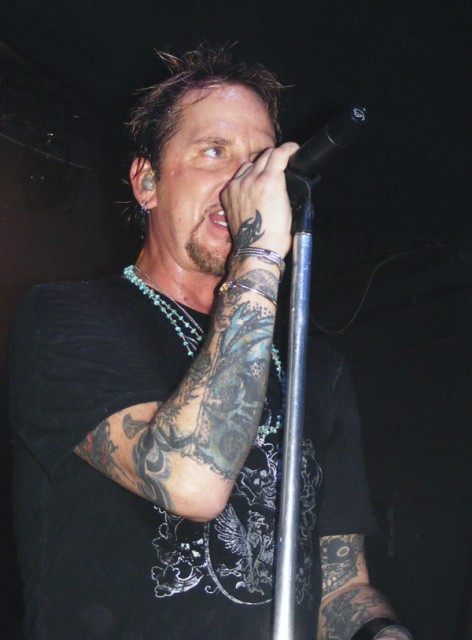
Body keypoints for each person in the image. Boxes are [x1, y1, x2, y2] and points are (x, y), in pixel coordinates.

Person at [9, 46, 413, 640]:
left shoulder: (316, 368)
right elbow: (190, 481)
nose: (243, 182)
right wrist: (260, 253)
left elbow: (340, 586)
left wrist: (383, 634)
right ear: (147, 182)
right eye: (214, 151)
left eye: (258, 162)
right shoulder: (66, 318)